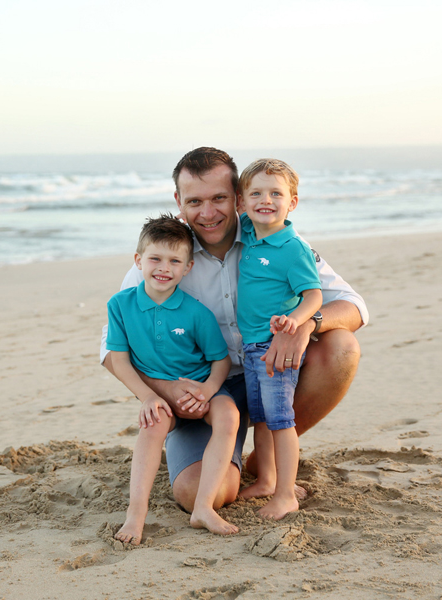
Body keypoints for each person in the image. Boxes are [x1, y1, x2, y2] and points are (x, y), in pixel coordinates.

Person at [100, 147, 368, 515]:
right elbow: (110, 348)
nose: (208, 213)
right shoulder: (166, 257)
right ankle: (227, 463)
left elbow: (353, 305)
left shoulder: (276, 238)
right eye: (195, 201)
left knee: (342, 347)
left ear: (238, 198)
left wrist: (306, 324)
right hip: (203, 394)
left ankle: (266, 459)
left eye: (219, 199)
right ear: (178, 201)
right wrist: (165, 390)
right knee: (200, 494)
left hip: (270, 369)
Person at [105, 214, 241, 544]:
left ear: (187, 268)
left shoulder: (197, 312)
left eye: (174, 261)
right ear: (138, 260)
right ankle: (135, 515)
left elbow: (220, 361)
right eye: (155, 259)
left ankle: (203, 508)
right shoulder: (120, 305)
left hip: (200, 387)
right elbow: (118, 360)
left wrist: (207, 391)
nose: (164, 268)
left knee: (229, 415)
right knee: (152, 425)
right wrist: (148, 397)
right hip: (159, 394)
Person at [234, 158, 321, 519]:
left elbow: (313, 295)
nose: (265, 200)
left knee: (281, 421)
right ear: (242, 202)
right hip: (250, 348)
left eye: (275, 193)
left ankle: (286, 494)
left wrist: (295, 321)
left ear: (292, 202)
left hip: (274, 348)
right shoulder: (248, 231)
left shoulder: (293, 248)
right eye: (255, 193)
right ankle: (267, 480)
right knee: (262, 419)